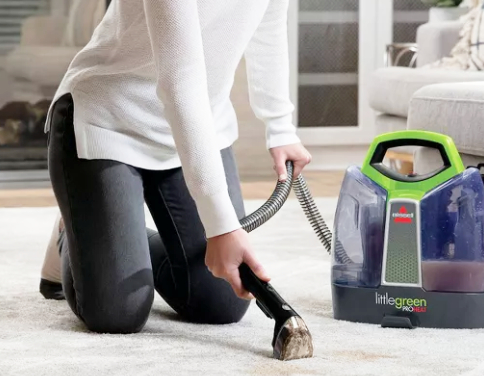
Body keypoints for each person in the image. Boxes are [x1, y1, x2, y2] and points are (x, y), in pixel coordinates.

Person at [39, 0, 311, 334]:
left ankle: (106, 232)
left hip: (198, 130)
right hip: (108, 120)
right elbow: (179, 81)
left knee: (221, 301)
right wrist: (221, 226)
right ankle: (73, 228)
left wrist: (281, 127)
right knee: (117, 311)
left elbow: (268, 31)